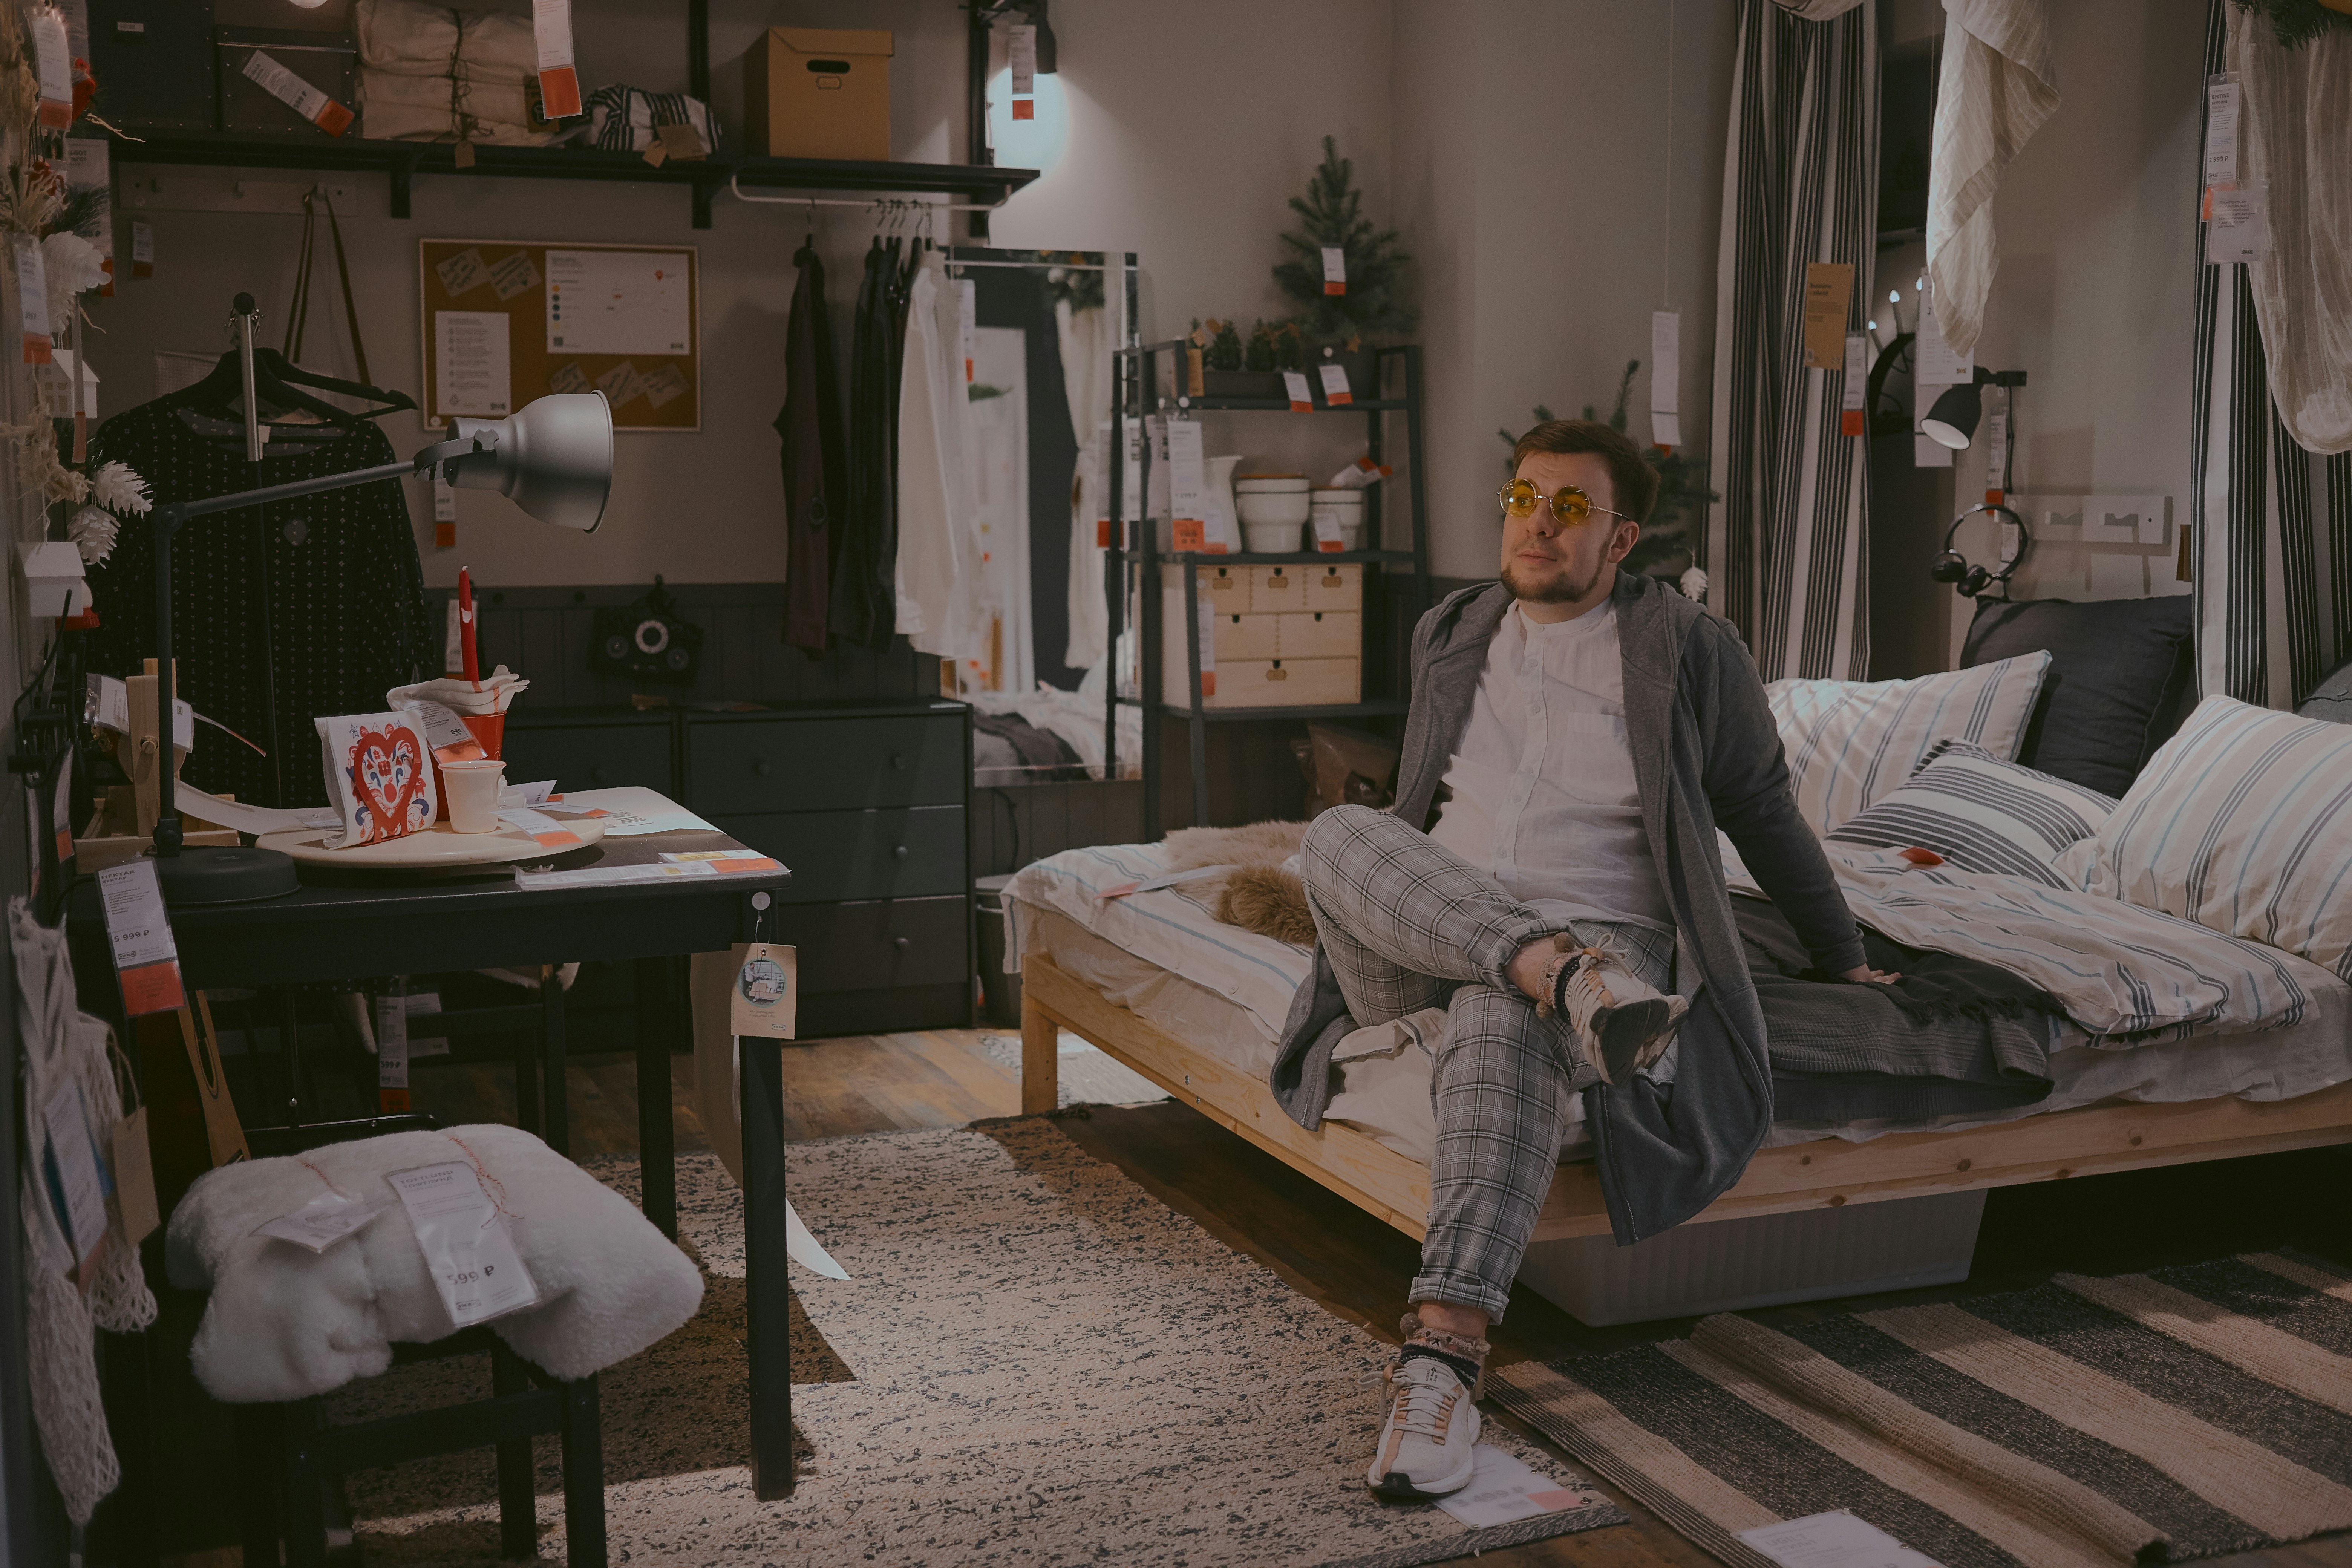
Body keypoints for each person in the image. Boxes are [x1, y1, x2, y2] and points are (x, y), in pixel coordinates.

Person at [1265, 419, 1893, 1500]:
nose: (1538, 526)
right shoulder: (1452, 628)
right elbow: (1414, 803)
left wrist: (1841, 953)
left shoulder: (1690, 647)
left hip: (1615, 937)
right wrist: (1530, 954)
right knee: (1336, 837)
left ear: (1624, 537)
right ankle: (1552, 973)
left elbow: (1759, 808)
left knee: (1499, 1022)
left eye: (1570, 509)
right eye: (1524, 500)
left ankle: (1442, 1359)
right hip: (1434, 938)